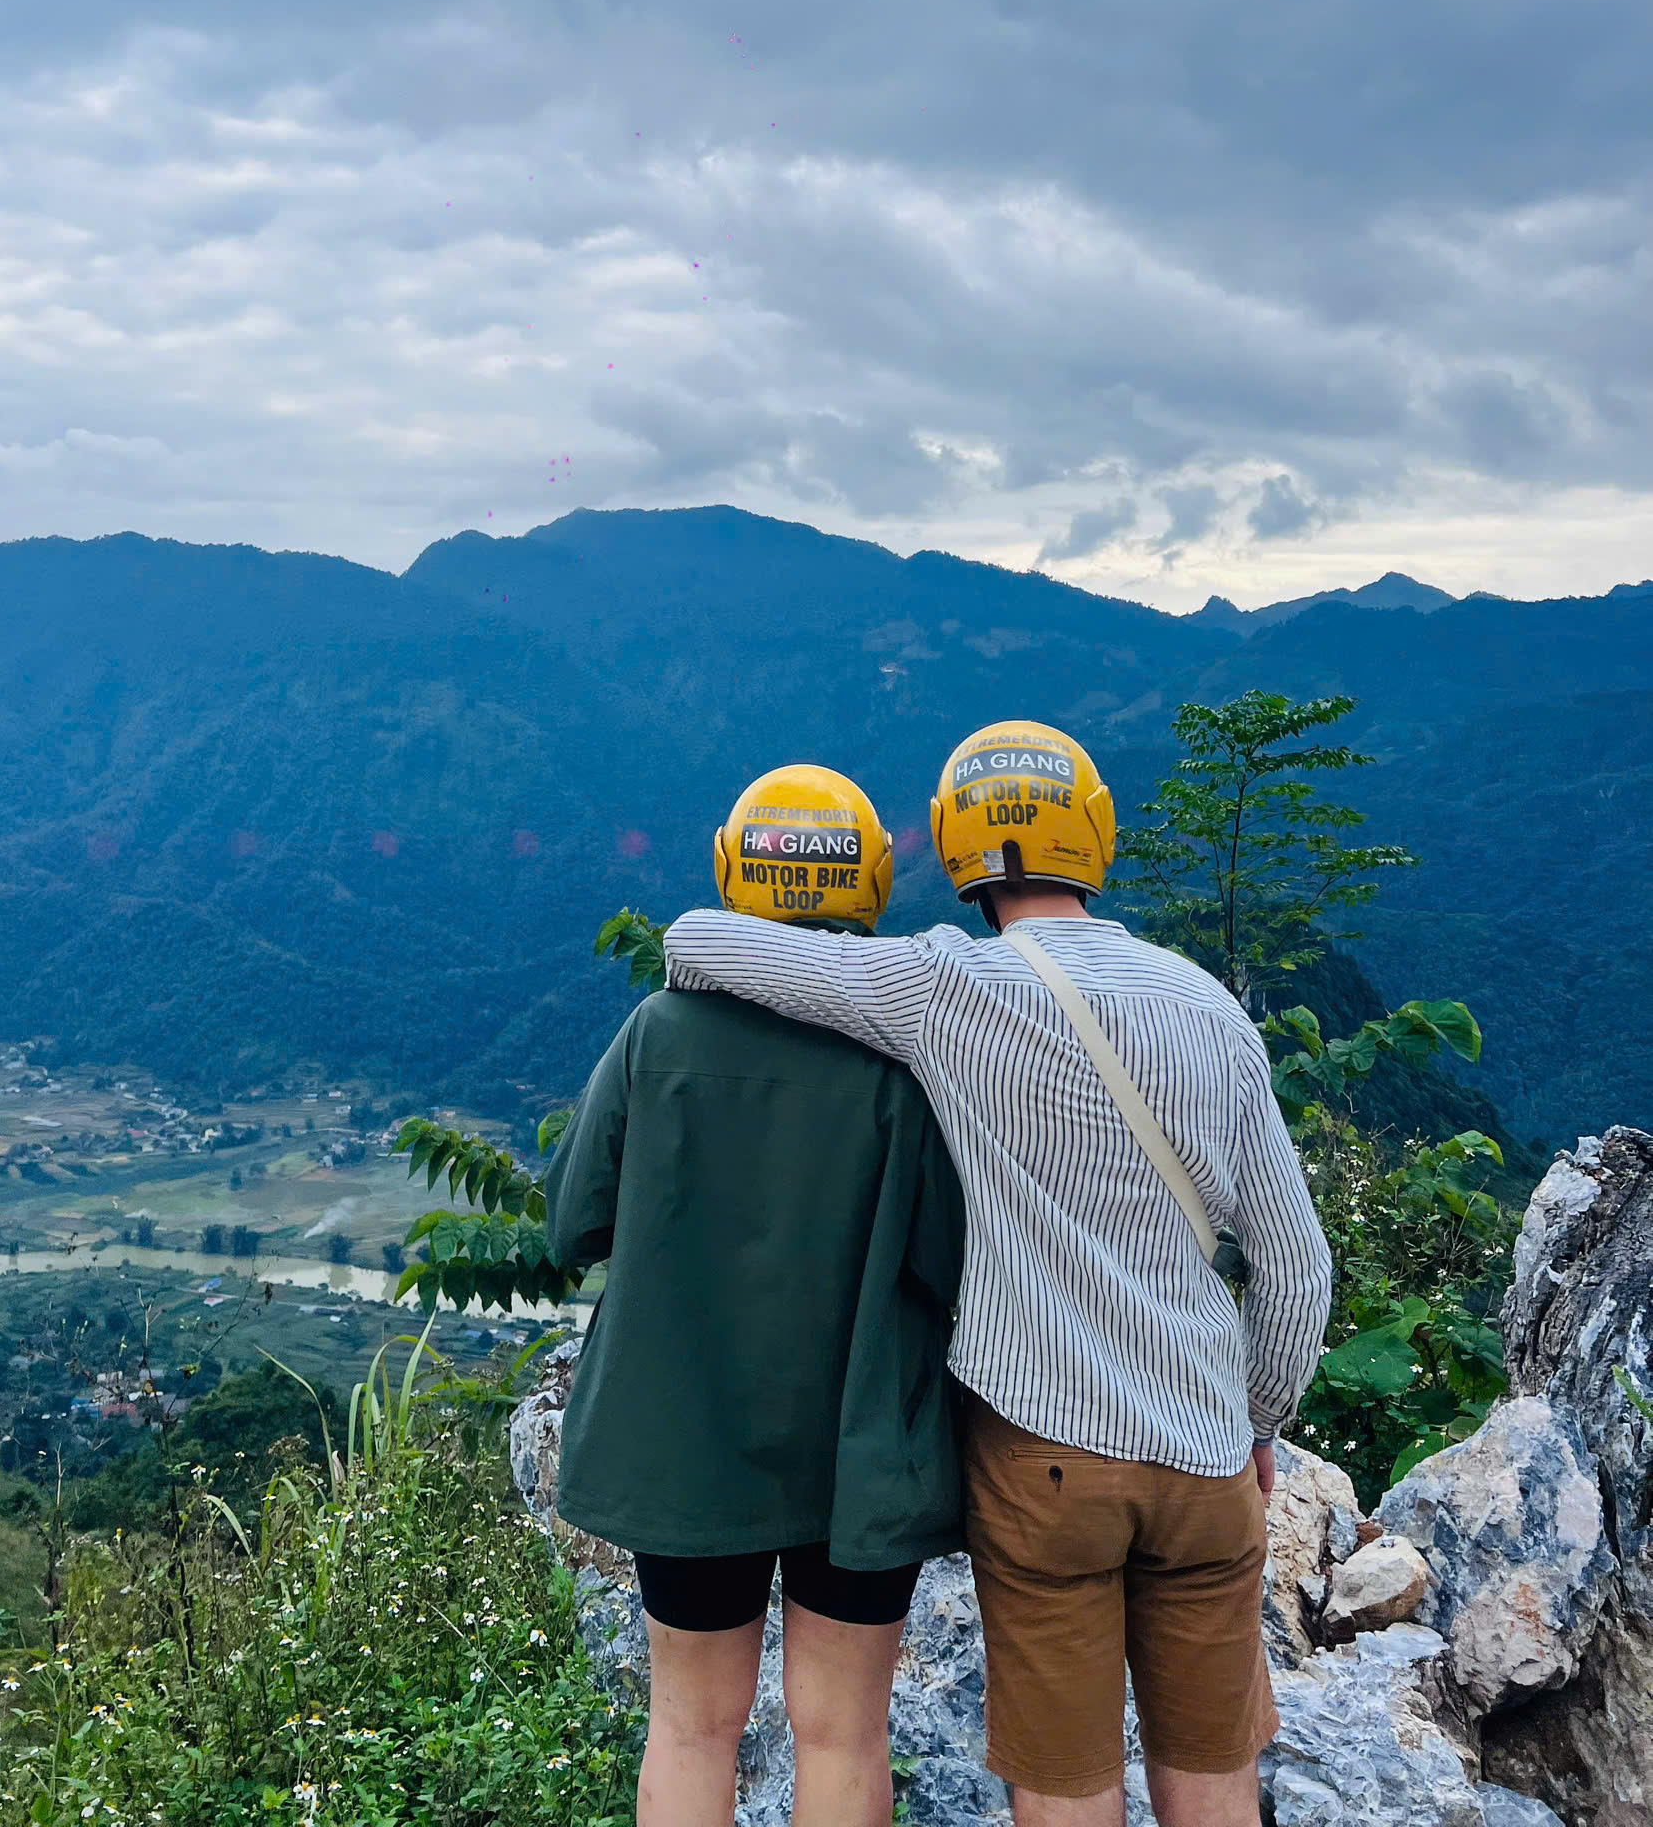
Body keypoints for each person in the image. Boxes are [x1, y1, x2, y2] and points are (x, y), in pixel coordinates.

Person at [663, 719, 1334, 1827]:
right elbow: (1297, 1267)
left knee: (1066, 1775)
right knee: (1216, 1766)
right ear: (1096, 832)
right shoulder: (1210, 1008)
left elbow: (702, 944)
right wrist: (1258, 1419)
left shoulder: (949, 988)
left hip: (1045, 1458)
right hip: (1209, 1461)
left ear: (951, 845)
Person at [543, 763, 966, 1827]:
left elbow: (572, 1224)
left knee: (692, 1726)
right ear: (873, 878)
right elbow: (947, 1260)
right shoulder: (903, 1053)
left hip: (687, 1445)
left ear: (734, 868)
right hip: (857, 1453)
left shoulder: (657, 1032)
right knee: (843, 1731)